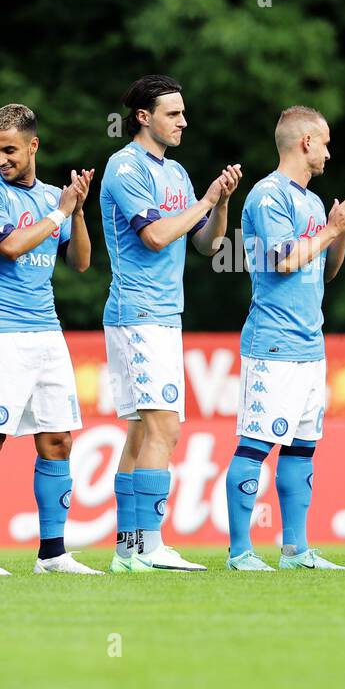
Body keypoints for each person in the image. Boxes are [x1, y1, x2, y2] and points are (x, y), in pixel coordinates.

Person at [224, 106, 345, 570]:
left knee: (301, 448)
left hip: (310, 345)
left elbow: (324, 270)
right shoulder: (268, 195)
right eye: (327, 142)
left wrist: (343, 236)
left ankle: (296, 550)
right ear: (306, 143)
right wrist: (332, 228)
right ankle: (240, 552)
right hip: (272, 343)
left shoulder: (314, 203)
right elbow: (284, 260)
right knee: (255, 445)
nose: (330, 152)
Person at [0, 103, 102, 576]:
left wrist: (76, 210)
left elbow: (80, 262)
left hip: (46, 333)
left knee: (58, 440)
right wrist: (59, 213)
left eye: (10, 150)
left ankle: (53, 554)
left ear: (33, 145)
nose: (1, 159)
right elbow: (11, 247)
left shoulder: (53, 199)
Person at [99, 75, 241, 572]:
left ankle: (127, 550)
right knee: (164, 428)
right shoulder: (125, 167)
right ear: (144, 117)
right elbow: (157, 236)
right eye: (173, 113)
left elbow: (205, 244)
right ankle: (150, 546)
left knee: (142, 433)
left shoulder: (177, 174)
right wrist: (203, 202)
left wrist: (219, 203)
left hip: (162, 316)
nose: (183, 121)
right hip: (137, 313)